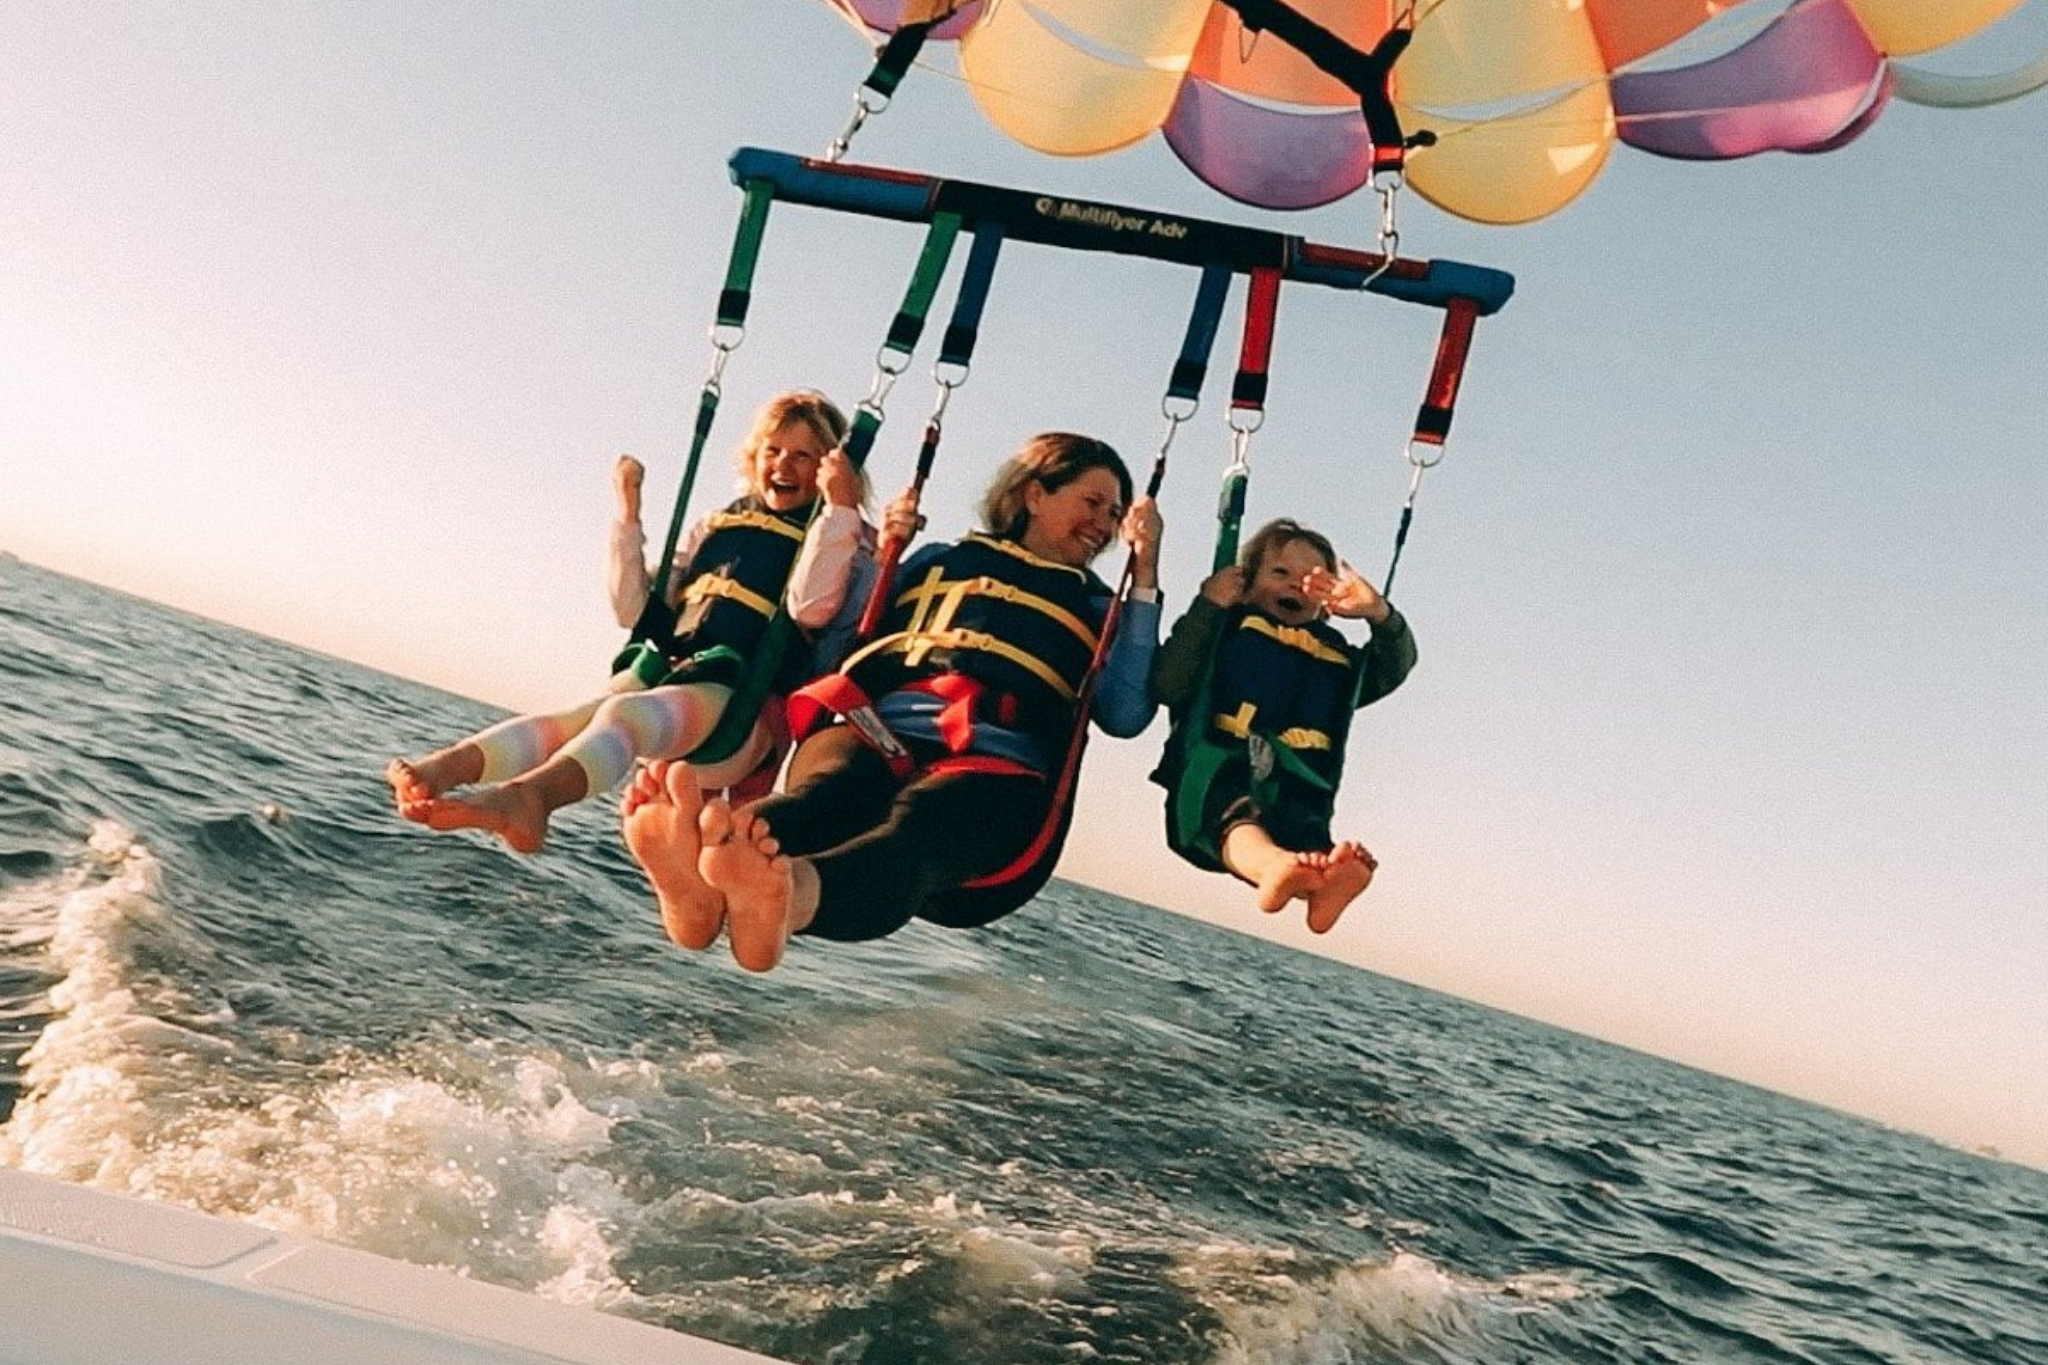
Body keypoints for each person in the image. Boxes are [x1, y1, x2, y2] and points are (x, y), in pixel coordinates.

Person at [619, 431, 1164, 972]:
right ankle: (700, 878)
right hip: (874, 732)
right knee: (830, 792)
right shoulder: (934, 560)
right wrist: (882, 559)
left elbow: (1124, 712)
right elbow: (839, 643)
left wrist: (1144, 575)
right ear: (1035, 494)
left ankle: (788, 893)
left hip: (994, 763)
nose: (1104, 524)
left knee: (919, 825)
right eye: (1093, 503)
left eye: (1115, 515)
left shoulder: (1099, 606)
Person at [385, 390, 874, 892]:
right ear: (754, 456)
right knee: (591, 710)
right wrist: (628, 515)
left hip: (739, 711)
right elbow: (631, 608)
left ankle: (531, 798)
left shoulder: (834, 535)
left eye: (802, 455)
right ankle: (449, 767)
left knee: (624, 716)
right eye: (773, 450)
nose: (783, 465)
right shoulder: (719, 523)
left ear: (827, 470)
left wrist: (839, 508)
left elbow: (809, 606)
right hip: (672, 677)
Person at [1148, 517, 1415, 935]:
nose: (1295, 584)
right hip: (1217, 764)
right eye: (1280, 572)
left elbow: (1394, 668)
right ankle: (1275, 866)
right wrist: (1208, 604)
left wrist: (1379, 614)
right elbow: (1168, 682)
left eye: (1312, 579)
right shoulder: (1223, 630)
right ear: (1247, 583)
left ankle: (1327, 884)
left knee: (1307, 830)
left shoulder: (1336, 659)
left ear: (1328, 598)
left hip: (1301, 778)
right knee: (1234, 813)